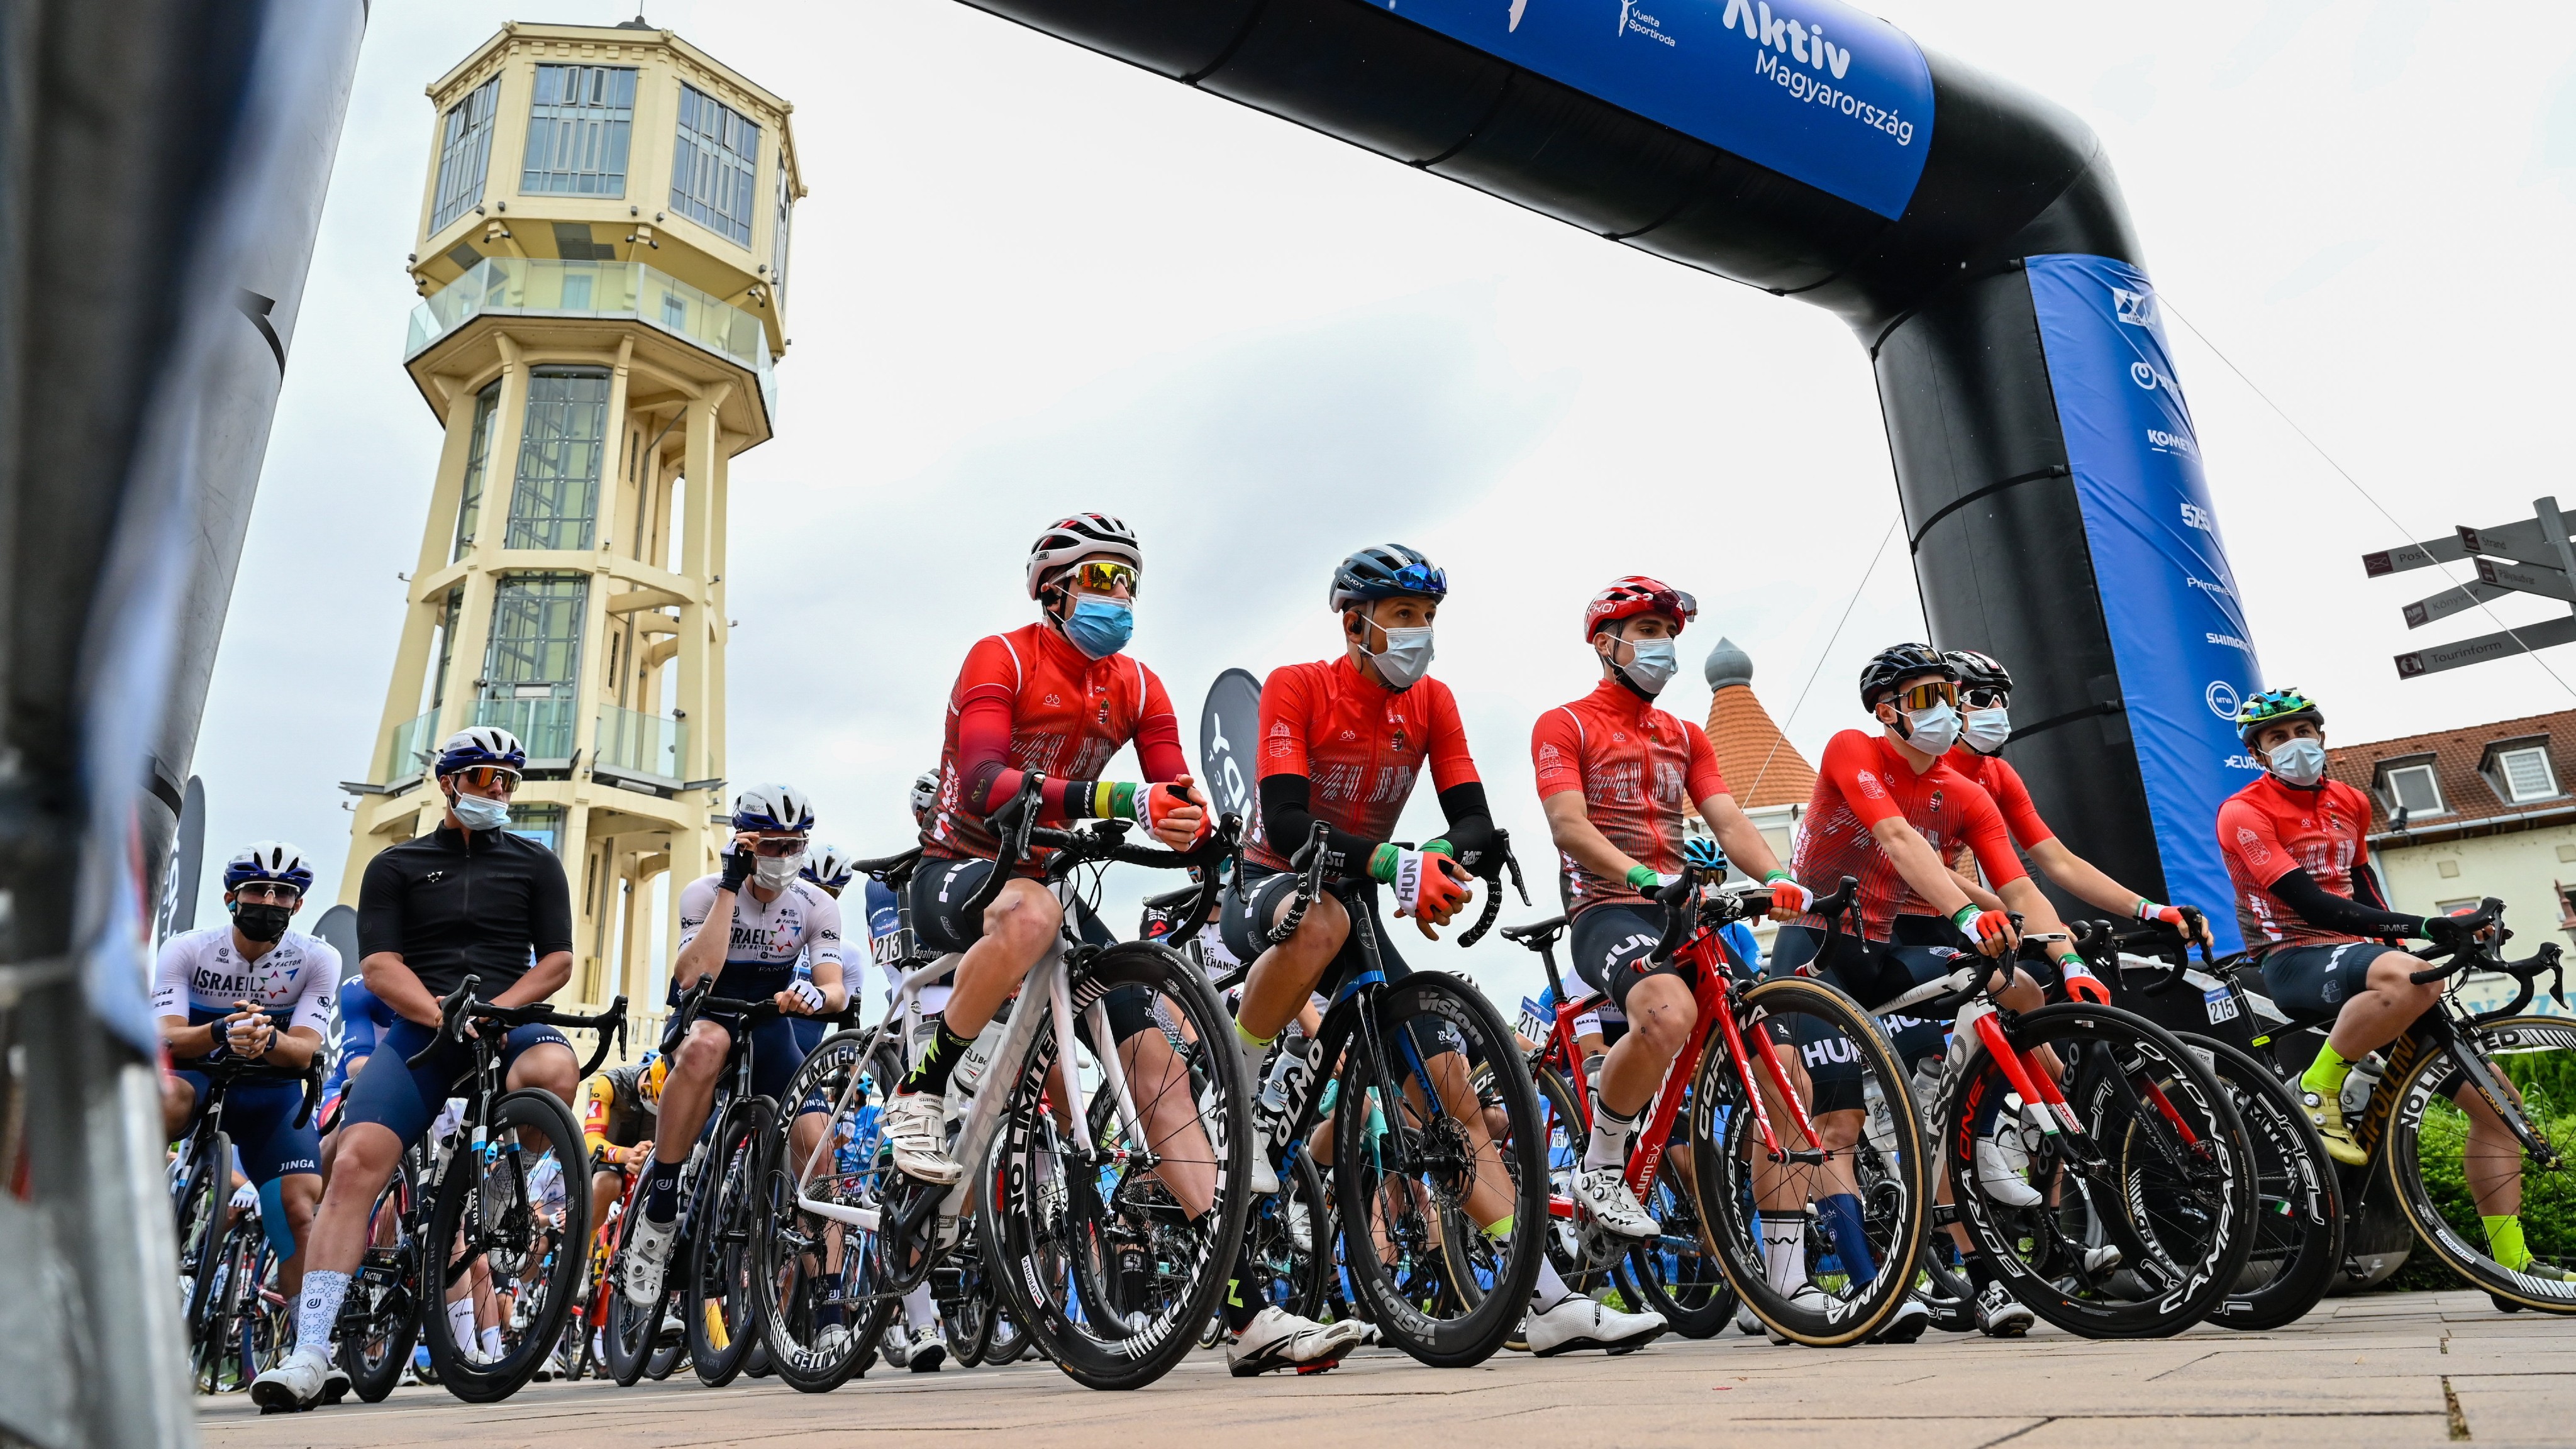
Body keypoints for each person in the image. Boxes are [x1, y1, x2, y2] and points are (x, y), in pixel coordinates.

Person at [1220, 544, 1660, 1367]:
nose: (1421, 633)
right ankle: (1242, 1098)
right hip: (1278, 882)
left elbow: (1474, 823)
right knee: (1321, 926)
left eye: (1430, 618)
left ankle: (1550, 1303)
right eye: (1405, 617)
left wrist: (1439, 857)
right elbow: (1283, 821)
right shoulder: (1300, 686)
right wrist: (1395, 863)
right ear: (1356, 623)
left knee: (1451, 1089)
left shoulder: (1431, 703)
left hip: (1352, 896)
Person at [882, 514, 1211, 1206]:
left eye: (1129, 582)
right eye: (1100, 578)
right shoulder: (1000, 656)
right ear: (1053, 591)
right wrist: (1119, 797)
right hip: (959, 866)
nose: (1118, 595)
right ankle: (922, 1088)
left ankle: (1240, 1305)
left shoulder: (1140, 687)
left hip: (1043, 884)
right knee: (1033, 913)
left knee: (1158, 1070)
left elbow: (1173, 794)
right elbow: (982, 781)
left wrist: (1199, 832)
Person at [252, 726, 579, 1411]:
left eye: (509, 782)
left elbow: (556, 961)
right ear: (449, 782)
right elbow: (379, 965)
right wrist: (440, 1015)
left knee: (554, 1067)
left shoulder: (535, 863)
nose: (500, 791)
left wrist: (497, 1009)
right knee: (354, 1163)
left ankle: (492, 1187)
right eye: (486, 778)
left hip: (505, 1018)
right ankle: (311, 1349)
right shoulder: (396, 866)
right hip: (423, 1027)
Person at [1768, 644, 2085, 1338]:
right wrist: (1970, 917)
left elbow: (2021, 885)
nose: (1943, 708)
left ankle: (2016, 1120)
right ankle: (1870, 1287)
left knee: (2020, 986)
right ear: (1887, 712)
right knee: (1839, 1127)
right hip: (1819, 952)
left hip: (1888, 950)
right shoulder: (1853, 747)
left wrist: (2068, 954)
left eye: (1948, 693)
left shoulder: (1966, 792)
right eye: (1921, 697)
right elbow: (1895, 838)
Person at [2218, 689, 2563, 1277]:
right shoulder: (2243, 811)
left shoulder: (2350, 801)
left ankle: (2513, 1269)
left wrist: (2429, 945)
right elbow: (2312, 904)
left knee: (2501, 1108)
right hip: (2293, 955)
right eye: (2278, 738)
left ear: (2321, 737)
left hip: (2365, 955)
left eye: (2303, 731)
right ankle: (2317, 1090)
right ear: (2258, 753)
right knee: (2407, 977)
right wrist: (2427, 924)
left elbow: (2364, 890)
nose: (2294, 745)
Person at [1531, 576, 1808, 1255]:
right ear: (1607, 644)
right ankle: (1599, 1165)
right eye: (1648, 633)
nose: (1664, 647)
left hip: (1678, 908)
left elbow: (1728, 818)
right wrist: (1638, 874)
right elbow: (1567, 825)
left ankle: (1782, 1276)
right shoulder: (1564, 723)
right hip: (1606, 905)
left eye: (1668, 634)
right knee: (1666, 1014)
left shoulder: (1684, 735)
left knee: (1788, 1073)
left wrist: (1776, 876)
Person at [622, 785, 849, 1315]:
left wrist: (818, 994)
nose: (785, 859)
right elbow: (692, 974)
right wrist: (730, 885)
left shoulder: (816, 905)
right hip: (710, 1013)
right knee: (707, 1045)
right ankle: (660, 1210)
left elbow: (836, 988)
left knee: (817, 1147)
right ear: (744, 844)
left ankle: (832, 1306)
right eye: (771, 846)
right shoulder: (704, 893)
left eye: (795, 846)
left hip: (771, 1025)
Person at [1916, 648, 2212, 977]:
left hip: (1944, 911)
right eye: (1983, 697)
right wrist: (2038, 922)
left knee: (2038, 982)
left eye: (2002, 698)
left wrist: (2149, 910)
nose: (1998, 709)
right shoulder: (1925, 767)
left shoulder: (1996, 773)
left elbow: (2059, 861)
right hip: (1901, 909)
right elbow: (1920, 865)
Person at [157, 842, 338, 1337]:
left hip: (272, 1094)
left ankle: (308, 1344)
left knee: (300, 1209)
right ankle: (136, 1197)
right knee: (162, 1098)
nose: (270, 901)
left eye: (284, 893)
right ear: (230, 898)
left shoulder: (318, 958)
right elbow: (166, 1035)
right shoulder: (188, 948)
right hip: (197, 1077)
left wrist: (266, 1038)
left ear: (299, 905)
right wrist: (219, 1033)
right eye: (257, 890)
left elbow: (304, 1051)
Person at [580, 1051, 662, 1240]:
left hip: (649, 1159)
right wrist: (625, 1154)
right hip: (610, 1156)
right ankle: (582, 1248)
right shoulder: (609, 1083)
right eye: (655, 1101)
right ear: (646, 1087)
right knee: (608, 1182)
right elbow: (590, 1141)